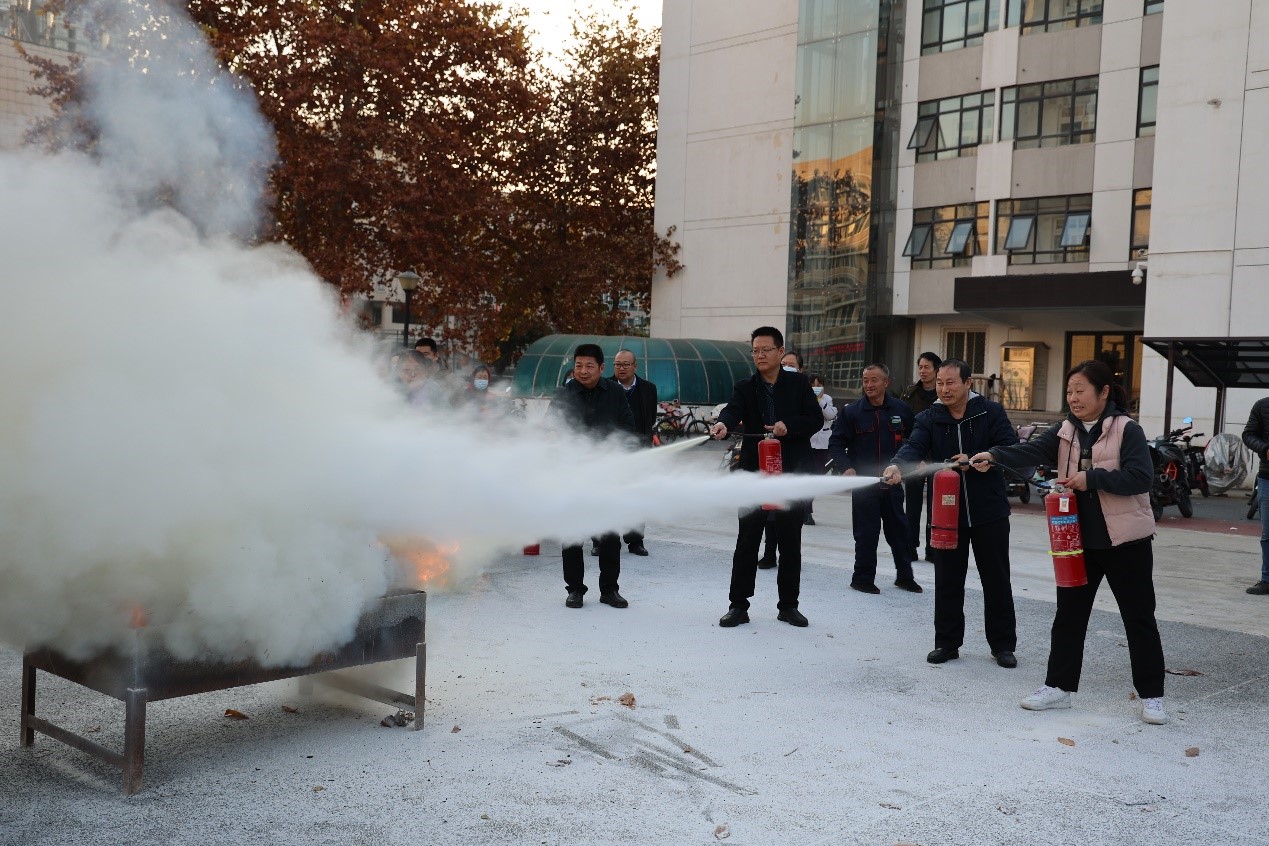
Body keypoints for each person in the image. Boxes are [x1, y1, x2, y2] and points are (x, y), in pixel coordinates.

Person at [971, 359, 1168, 724]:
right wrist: (994, 456)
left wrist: (1090, 478)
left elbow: (1141, 478)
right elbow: (1030, 451)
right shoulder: (1066, 430)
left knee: (1138, 619)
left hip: (1126, 544)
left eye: (1080, 391)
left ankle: (1152, 695)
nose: (1074, 398)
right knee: (1069, 617)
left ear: (1104, 392)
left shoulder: (1127, 429)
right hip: (1078, 542)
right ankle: (1058, 687)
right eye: (1069, 391)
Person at [882, 358, 1019, 667]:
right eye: (940, 383)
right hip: (947, 514)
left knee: (996, 578)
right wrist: (897, 464)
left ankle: (1003, 645)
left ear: (968, 383)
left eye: (951, 383)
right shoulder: (929, 418)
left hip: (989, 511)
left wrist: (989, 457)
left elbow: (1010, 447)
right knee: (947, 578)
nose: (944, 389)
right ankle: (946, 643)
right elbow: (914, 446)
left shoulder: (990, 412)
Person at [709, 327, 823, 628]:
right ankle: (738, 605)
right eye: (755, 350)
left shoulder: (798, 384)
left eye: (765, 350)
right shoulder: (745, 387)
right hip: (754, 474)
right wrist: (723, 424)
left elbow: (815, 419)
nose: (759, 355)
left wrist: (789, 426)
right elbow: (732, 411)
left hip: (790, 473)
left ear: (780, 351)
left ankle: (788, 606)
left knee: (790, 542)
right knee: (747, 541)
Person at [550, 344, 637, 610]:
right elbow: (550, 431)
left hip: (606, 475)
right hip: (572, 476)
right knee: (572, 536)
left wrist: (608, 449)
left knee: (610, 536)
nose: (583, 371)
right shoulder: (563, 395)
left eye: (589, 366)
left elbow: (627, 427)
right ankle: (575, 589)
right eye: (579, 366)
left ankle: (610, 589)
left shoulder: (615, 393)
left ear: (601, 368)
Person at [829, 363, 922, 594]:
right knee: (866, 534)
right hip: (865, 486)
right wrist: (846, 467)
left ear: (886, 382)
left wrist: (917, 460)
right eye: (865, 380)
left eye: (874, 380)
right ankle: (862, 579)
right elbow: (836, 443)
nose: (869, 385)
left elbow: (916, 440)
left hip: (892, 483)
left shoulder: (901, 409)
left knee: (899, 533)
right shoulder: (852, 412)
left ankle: (905, 577)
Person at [611, 349, 658, 556]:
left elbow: (650, 419)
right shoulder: (605, 386)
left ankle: (635, 541)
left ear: (635, 366)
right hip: (610, 450)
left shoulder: (648, 389)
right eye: (617, 364)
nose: (621, 368)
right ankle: (602, 540)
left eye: (626, 364)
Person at [900, 352, 942, 562]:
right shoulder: (910, 394)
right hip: (915, 456)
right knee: (912, 505)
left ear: (937, 369)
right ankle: (910, 547)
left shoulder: (944, 393)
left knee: (936, 505)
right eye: (920, 367)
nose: (923, 371)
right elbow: (903, 427)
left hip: (938, 458)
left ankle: (932, 548)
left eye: (927, 367)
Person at [1243, 395, 1269, 595]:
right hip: (1267, 477)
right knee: (1268, 534)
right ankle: (1267, 579)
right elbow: (1248, 435)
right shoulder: (1262, 405)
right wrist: (1265, 449)